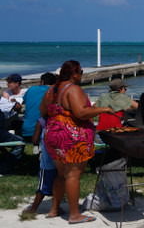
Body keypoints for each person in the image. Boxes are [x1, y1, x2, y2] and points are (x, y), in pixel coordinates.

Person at [40, 60, 114, 224]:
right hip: (71, 136)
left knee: (60, 173)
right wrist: (104, 109)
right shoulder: (73, 89)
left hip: (53, 134)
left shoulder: (52, 89)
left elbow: (43, 111)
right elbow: (81, 113)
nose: (82, 75)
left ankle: (54, 209)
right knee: (73, 174)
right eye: (80, 72)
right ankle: (74, 215)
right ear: (74, 74)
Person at [22, 117, 57, 215]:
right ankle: (56, 207)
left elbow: (35, 140)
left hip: (47, 161)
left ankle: (33, 209)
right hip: (60, 160)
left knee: (42, 187)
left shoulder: (42, 121)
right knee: (58, 185)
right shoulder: (62, 120)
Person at [22, 72, 57, 142]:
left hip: (26, 131)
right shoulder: (53, 91)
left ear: (42, 82)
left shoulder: (31, 89)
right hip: (42, 133)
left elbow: (24, 102)